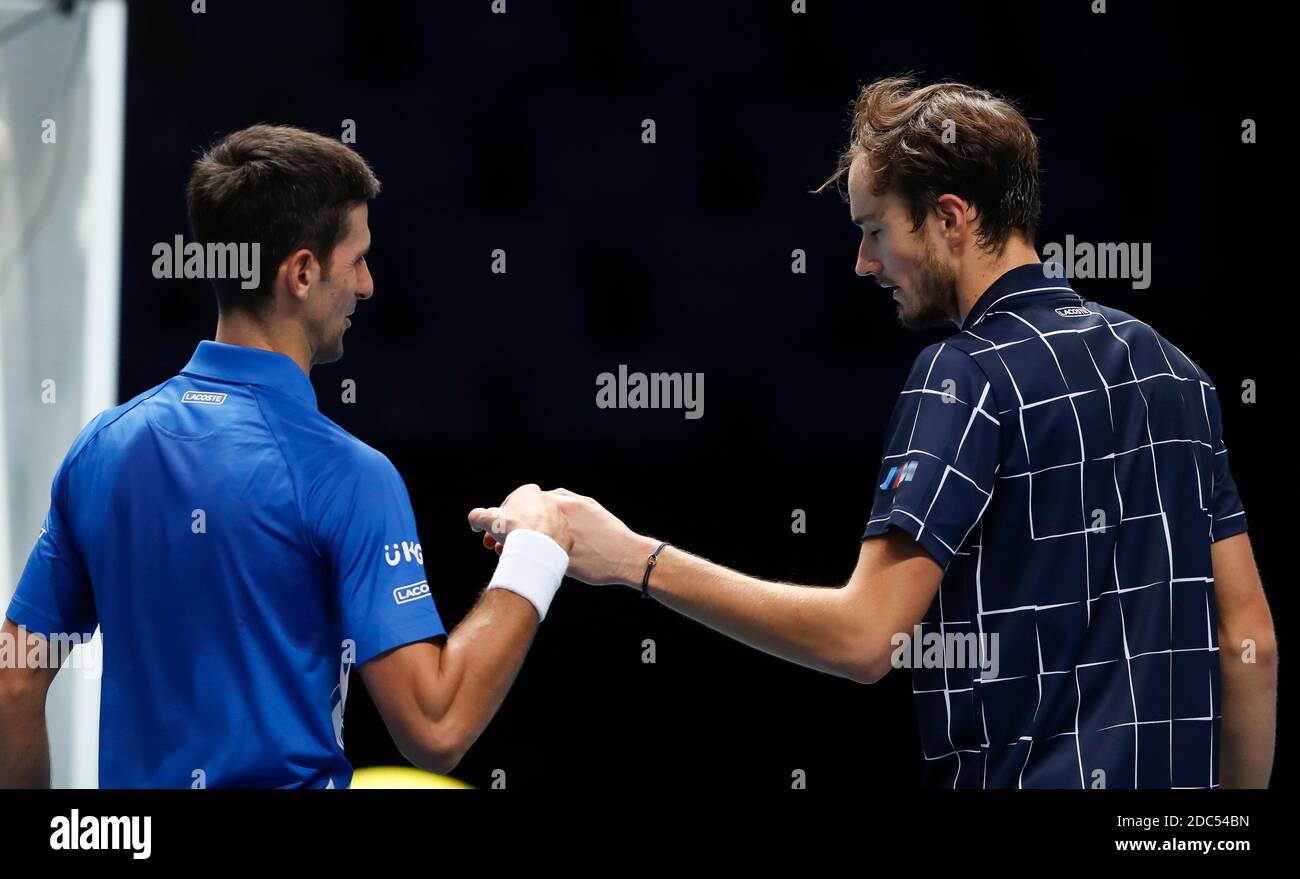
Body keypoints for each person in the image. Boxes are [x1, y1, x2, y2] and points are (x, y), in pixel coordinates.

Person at [471, 78, 1278, 789]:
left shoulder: (963, 373)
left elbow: (865, 638)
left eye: (875, 230)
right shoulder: (1178, 375)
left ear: (952, 217)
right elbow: (1250, 643)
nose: (864, 263)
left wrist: (634, 559)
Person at [0, 124, 571, 788]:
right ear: (300, 272)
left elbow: (15, 682)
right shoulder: (350, 475)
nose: (368, 284)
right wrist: (538, 551)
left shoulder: (99, 450)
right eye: (356, 259)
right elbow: (436, 726)